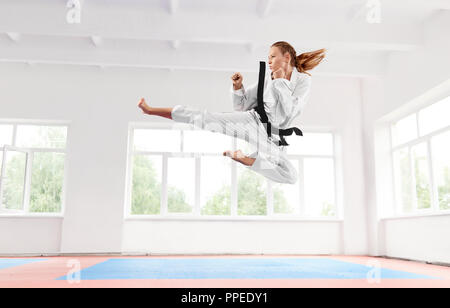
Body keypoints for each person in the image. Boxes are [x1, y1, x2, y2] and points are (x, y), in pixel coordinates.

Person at [137, 41, 325, 184]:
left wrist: (280, 82)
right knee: (205, 118)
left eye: (273, 57)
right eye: (268, 57)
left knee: (290, 175)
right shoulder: (267, 79)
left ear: (286, 58)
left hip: (273, 137)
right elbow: (241, 106)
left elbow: (290, 112)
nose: (268, 61)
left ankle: (247, 159)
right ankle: (151, 110)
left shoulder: (302, 81)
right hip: (253, 121)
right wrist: (238, 87)